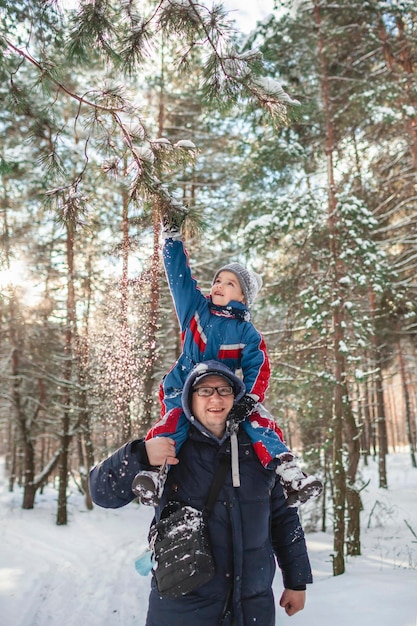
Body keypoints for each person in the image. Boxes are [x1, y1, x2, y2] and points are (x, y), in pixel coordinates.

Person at [89, 360, 313, 626]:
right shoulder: (169, 449)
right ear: (189, 399)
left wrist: (296, 581)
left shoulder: (259, 452)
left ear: (235, 397)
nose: (215, 398)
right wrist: (141, 453)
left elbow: (284, 519)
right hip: (182, 608)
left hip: (251, 608)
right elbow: (101, 492)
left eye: (224, 390)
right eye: (205, 390)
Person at [132, 215, 322, 506]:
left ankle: (289, 474)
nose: (219, 285)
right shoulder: (196, 311)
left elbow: (258, 367)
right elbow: (179, 279)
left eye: (230, 283)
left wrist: (250, 399)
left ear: (244, 297)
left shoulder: (246, 331)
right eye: (218, 280)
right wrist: (172, 239)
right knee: (174, 422)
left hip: (227, 395)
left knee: (260, 422)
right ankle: (156, 473)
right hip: (184, 386)